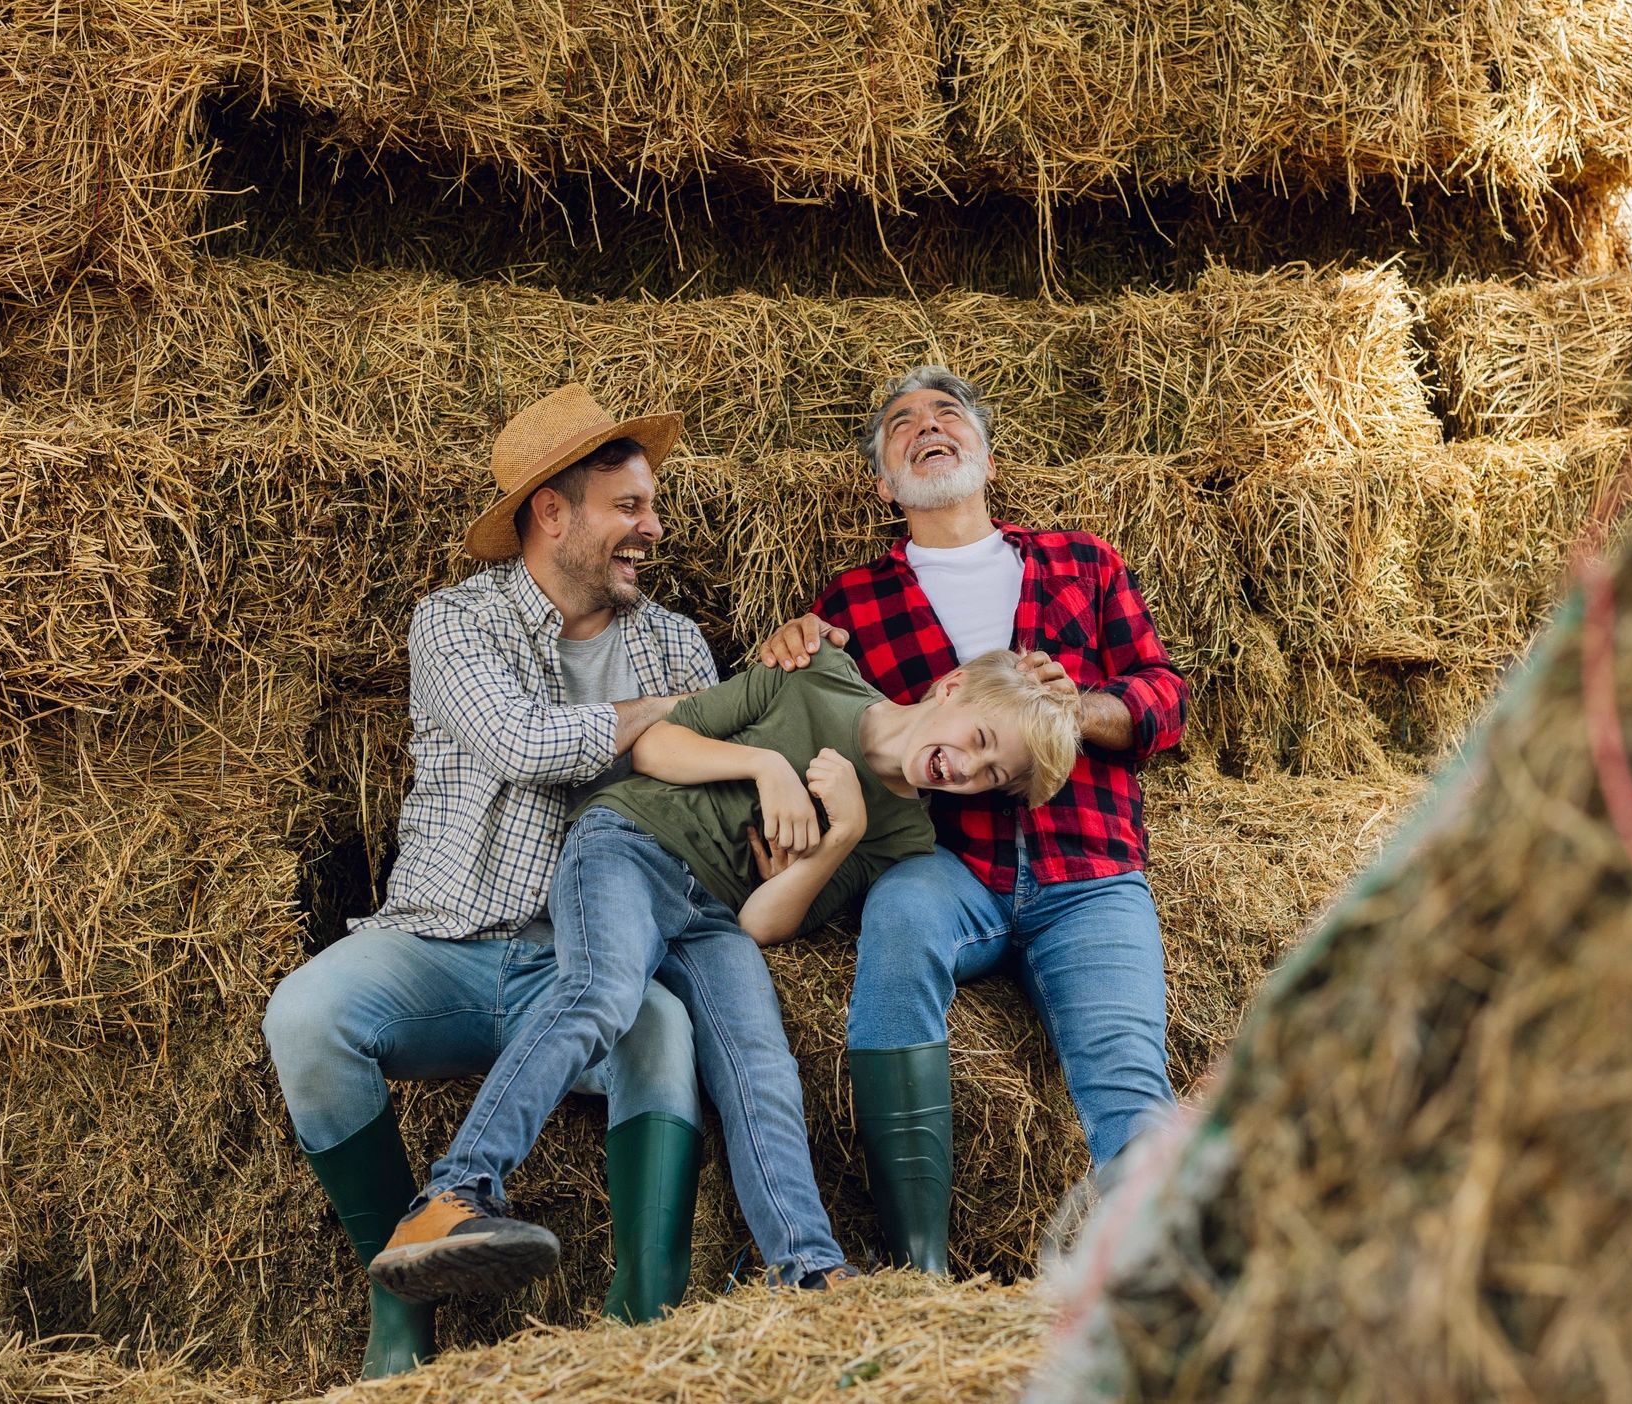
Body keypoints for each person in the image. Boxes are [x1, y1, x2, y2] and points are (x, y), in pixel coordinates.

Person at [365, 644, 1083, 1303]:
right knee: (603, 991)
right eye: (981, 741)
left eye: (993, 777)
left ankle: (807, 1269)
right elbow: (652, 745)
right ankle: (453, 1197)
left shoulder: (903, 835)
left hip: (713, 915)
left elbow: (763, 923)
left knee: (763, 1066)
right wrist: (765, 767)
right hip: (629, 844)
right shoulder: (814, 674)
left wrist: (841, 838)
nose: (968, 769)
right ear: (951, 687)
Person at [261, 384, 716, 1379]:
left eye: (652, 504)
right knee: (303, 1017)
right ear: (553, 514)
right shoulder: (455, 622)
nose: (653, 526)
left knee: (665, 1033)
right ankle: (397, 1298)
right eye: (629, 507)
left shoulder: (676, 641)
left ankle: (640, 1332)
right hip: (441, 942)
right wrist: (662, 717)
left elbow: (707, 790)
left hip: (583, 964)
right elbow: (521, 742)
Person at [757, 365, 1189, 1275]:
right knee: (901, 918)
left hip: (1089, 870)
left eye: (946, 414)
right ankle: (919, 1268)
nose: (926, 426)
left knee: (1124, 1071)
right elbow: (802, 712)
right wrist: (784, 649)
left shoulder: (1082, 563)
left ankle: (1157, 1284)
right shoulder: (853, 601)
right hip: (948, 865)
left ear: (985, 457)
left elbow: (1165, 698)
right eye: (901, 424)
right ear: (885, 483)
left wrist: (1086, 713)